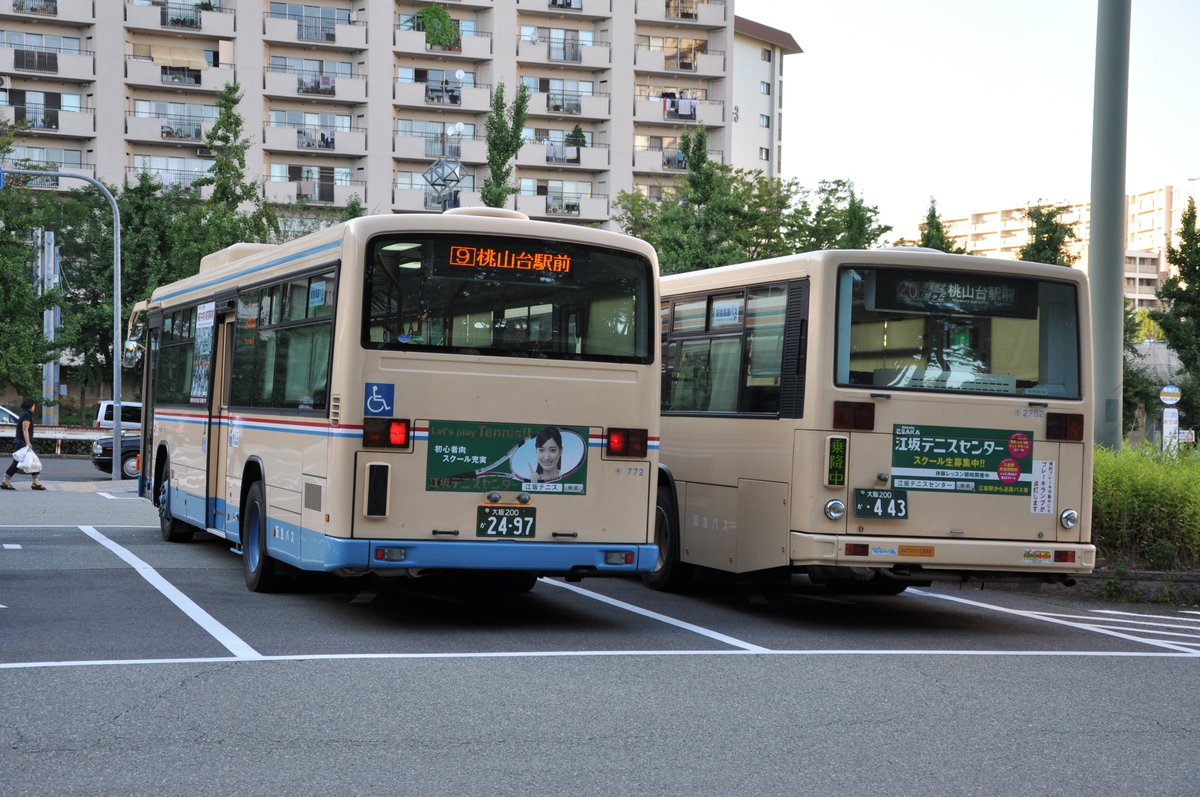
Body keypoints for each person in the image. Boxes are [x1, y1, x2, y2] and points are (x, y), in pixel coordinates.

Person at [3, 397, 45, 491]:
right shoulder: (26, 415)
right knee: (18, 462)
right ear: (30, 406)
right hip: (22, 442)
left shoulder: (25, 414)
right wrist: (28, 443)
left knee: (31, 460)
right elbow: (25, 430)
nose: (35, 407)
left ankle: (35, 482)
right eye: (34, 405)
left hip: (21, 441)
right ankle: (6, 481)